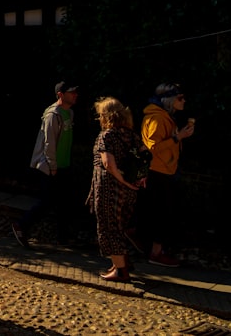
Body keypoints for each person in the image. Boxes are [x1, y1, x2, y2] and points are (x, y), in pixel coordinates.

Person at [87, 98, 148, 282]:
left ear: (106, 116)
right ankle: (121, 263)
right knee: (120, 227)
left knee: (108, 227)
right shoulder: (132, 135)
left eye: (100, 115)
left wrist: (123, 181)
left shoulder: (107, 136)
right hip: (129, 192)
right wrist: (136, 181)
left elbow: (108, 163)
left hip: (110, 189)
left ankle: (121, 271)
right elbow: (145, 158)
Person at [12, 80, 79, 248]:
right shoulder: (53, 115)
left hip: (64, 165)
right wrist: (53, 166)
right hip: (51, 167)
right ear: (60, 95)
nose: (75, 95)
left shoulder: (69, 113)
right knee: (47, 202)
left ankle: (64, 238)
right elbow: (49, 143)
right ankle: (21, 225)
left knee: (65, 202)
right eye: (71, 92)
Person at [138, 83, 195, 267]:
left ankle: (152, 248)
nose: (183, 101)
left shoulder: (164, 117)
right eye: (180, 98)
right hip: (158, 171)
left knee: (161, 212)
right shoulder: (157, 118)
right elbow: (153, 147)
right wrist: (178, 138)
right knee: (161, 213)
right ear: (169, 100)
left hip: (164, 170)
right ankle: (155, 253)